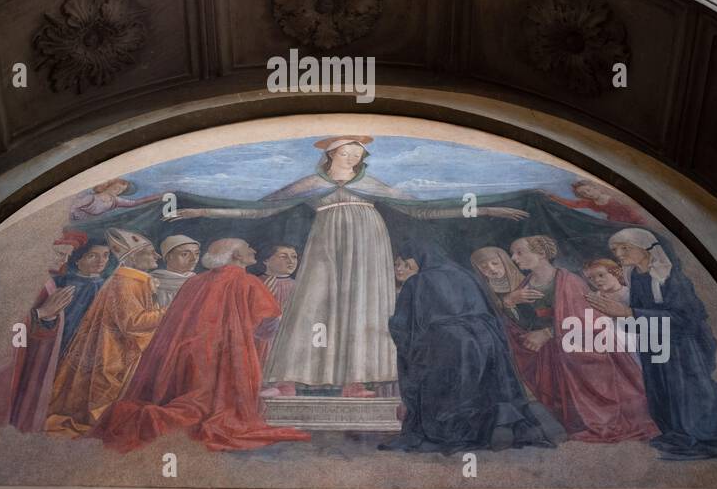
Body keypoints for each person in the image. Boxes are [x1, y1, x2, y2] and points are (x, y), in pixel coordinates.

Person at [166, 136, 526, 397]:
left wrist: (483, 209)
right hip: (326, 242)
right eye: (346, 151)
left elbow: (423, 209)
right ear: (331, 154)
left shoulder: (371, 184)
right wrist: (205, 210)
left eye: (358, 153)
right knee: (312, 305)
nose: (352, 157)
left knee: (364, 310)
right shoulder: (313, 184)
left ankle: (357, 380)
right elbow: (260, 208)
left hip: (369, 245)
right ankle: (290, 377)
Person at [93, 239, 312, 453]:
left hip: (185, 355)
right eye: (247, 248)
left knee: (193, 398)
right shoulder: (248, 282)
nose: (253, 250)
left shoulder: (194, 281)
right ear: (236, 255)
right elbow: (268, 326)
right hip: (226, 357)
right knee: (214, 405)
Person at [380, 240, 565, 454]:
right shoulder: (465, 275)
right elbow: (489, 311)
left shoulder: (418, 282)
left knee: (445, 386)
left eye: (406, 261)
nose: (404, 266)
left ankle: (452, 436)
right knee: (475, 388)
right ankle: (481, 433)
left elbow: (402, 325)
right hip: (484, 340)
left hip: (445, 343)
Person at [590, 228, 717, 460]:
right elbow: (635, 313)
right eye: (615, 250)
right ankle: (677, 434)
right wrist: (621, 315)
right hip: (653, 342)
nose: (619, 254)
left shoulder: (670, 276)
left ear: (644, 248)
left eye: (625, 248)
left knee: (688, 392)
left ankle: (709, 440)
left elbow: (687, 317)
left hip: (681, 347)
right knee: (660, 391)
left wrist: (629, 312)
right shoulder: (634, 276)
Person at [506, 235, 658, 442]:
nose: (514, 258)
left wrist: (548, 333)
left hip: (582, 346)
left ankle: (599, 421)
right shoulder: (524, 284)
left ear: (541, 254)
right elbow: (523, 322)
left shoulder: (570, 281)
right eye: (512, 254)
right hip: (552, 350)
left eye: (519, 252)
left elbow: (587, 320)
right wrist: (509, 303)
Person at [43, 228, 164, 437]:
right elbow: (133, 322)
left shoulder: (134, 279)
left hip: (116, 347)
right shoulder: (126, 281)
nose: (157, 256)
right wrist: (170, 311)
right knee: (105, 396)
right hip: (112, 351)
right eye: (150, 252)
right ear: (133, 257)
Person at [0, 231, 83, 432]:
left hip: (20, 358)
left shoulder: (48, 285)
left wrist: (48, 318)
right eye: (60, 254)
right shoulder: (14, 280)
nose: (63, 261)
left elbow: (31, 333)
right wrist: (41, 313)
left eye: (66, 256)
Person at [252, 244, 300, 397]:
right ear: (266, 260)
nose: (290, 261)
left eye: (294, 257)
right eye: (283, 256)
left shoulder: (298, 286)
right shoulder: (254, 283)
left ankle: (284, 387)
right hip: (259, 336)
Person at [547, 180, 647, 225]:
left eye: (588, 190)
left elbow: (631, 207)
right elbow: (573, 204)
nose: (587, 194)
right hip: (615, 223)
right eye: (583, 194)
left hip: (633, 219)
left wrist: (639, 221)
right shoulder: (591, 203)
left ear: (595, 187)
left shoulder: (612, 194)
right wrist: (552, 197)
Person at [68, 178, 161, 222]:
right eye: (116, 188)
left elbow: (135, 203)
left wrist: (157, 196)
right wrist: (74, 216)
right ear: (109, 186)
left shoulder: (115, 201)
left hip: (83, 220)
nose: (118, 191)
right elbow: (74, 207)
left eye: (121, 190)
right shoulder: (92, 197)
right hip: (75, 216)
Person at [151, 235, 201, 308]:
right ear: (168, 257)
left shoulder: (199, 282)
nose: (194, 258)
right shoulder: (152, 282)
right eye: (185, 254)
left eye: (197, 253)